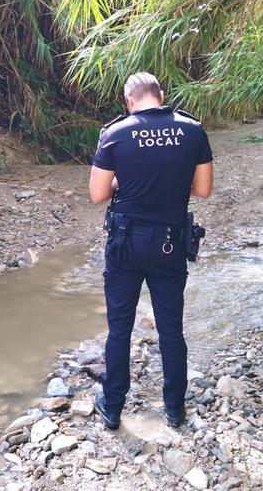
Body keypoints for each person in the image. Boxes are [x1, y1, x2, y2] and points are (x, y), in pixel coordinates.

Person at [88, 72, 214, 430]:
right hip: (171, 243)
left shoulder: (115, 133)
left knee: (120, 329)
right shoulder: (193, 130)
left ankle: (112, 408)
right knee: (171, 330)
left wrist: (123, 180)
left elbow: (97, 194)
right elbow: (203, 190)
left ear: (130, 101)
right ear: (161, 95)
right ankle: (174, 409)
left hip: (126, 243)